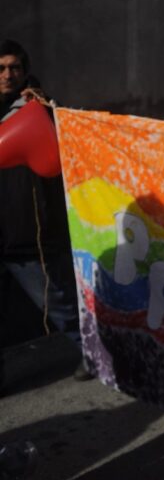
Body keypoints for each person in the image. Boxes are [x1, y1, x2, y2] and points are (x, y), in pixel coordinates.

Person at [0, 40, 92, 388]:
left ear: (24, 71)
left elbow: (65, 143)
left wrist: (48, 109)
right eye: (1, 68)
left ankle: (96, 355)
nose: (8, 75)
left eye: (14, 68)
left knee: (61, 306)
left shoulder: (37, 106)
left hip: (27, 235)